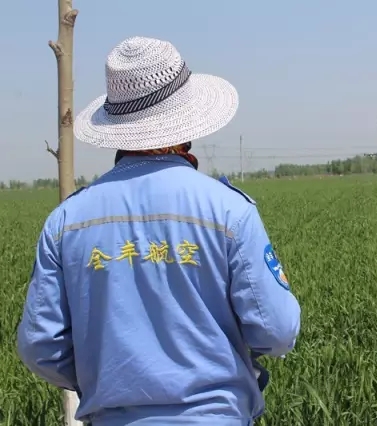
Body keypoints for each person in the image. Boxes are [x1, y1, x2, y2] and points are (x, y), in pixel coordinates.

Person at [16, 36, 301, 426]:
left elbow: (40, 346)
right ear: (186, 123)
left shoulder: (67, 221)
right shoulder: (228, 210)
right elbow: (277, 330)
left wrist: (104, 380)